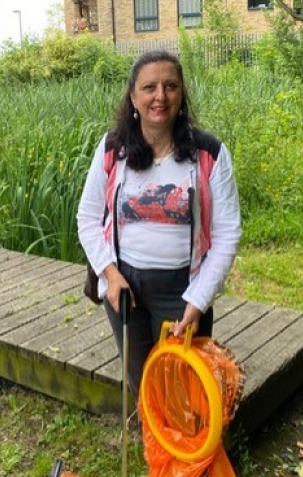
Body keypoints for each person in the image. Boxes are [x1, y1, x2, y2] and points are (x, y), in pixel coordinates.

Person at [77, 50, 242, 398]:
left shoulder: (209, 153)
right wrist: (109, 274)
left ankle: (190, 453)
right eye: (149, 87)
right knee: (144, 387)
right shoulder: (112, 149)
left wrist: (197, 302)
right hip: (124, 287)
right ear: (134, 97)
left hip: (183, 289)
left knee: (185, 387)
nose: (160, 96)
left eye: (170, 86)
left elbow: (228, 234)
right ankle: (155, 449)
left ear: (181, 94)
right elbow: (88, 218)